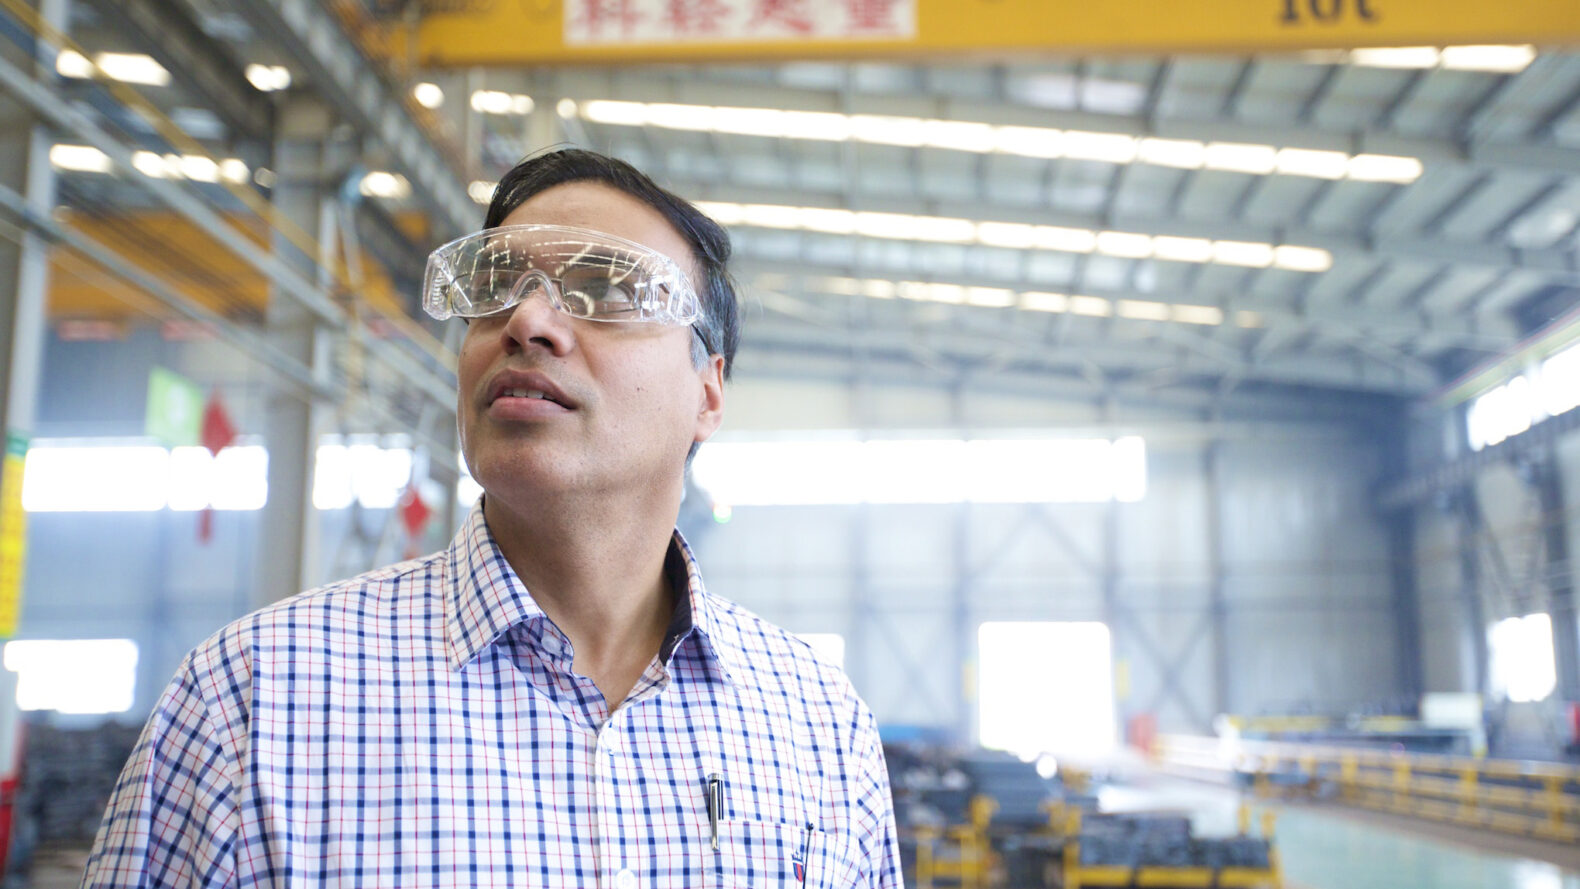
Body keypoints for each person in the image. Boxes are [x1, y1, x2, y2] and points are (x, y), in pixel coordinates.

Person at [82, 148, 902, 888]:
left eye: (606, 290)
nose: (528, 321)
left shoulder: (818, 724)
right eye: (496, 289)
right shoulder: (251, 705)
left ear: (708, 392)